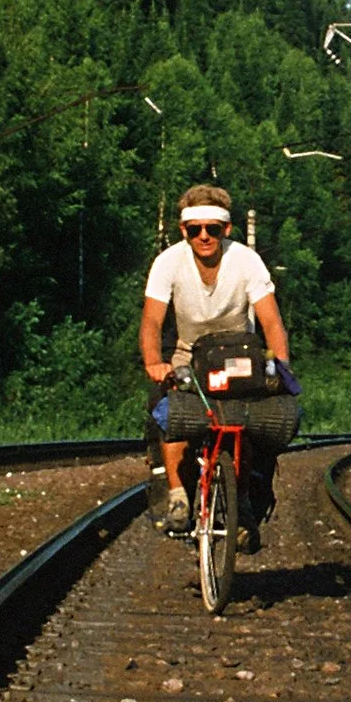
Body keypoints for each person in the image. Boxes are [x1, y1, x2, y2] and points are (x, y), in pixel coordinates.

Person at [138, 184, 295, 539]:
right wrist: (154, 362)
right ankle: (177, 495)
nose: (204, 236)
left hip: (240, 355)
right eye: (195, 230)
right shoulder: (168, 262)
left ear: (226, 229)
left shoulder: (246, 260)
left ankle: (251, 495)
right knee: (168, 405)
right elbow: (151, 321)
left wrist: (279, 364)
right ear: (184, 231)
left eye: (213, 228)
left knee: (262, 419)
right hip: (189, 354)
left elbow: (270, 320)